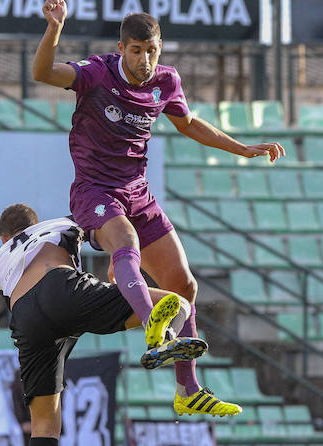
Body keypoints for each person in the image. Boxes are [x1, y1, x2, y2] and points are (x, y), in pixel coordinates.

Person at [32, 4, 284, 416]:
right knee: (125, 241)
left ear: (160, 47)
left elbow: (189, 124)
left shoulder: (166, 81)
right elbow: (42, 73)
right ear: (121, 48)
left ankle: (188, 390)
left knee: (184, 285)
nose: (144, 59)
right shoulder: (97, 72)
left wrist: (243, 148)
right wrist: (54, 29)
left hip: (138, 194)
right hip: (95, 191)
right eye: (135, 50)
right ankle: (153, 327)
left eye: (151, 50)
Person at [0, 203, 229, 446]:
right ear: (34, 224)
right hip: (62, 287)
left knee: (44, 428)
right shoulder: (60, 223)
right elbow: (110, 235)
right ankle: (158, 339)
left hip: (26, 319)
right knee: (176, 302)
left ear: (4, 237)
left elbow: (30, 298)